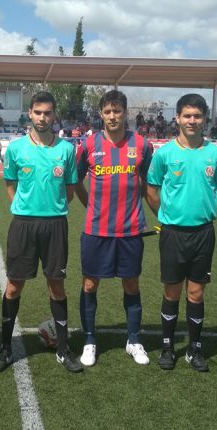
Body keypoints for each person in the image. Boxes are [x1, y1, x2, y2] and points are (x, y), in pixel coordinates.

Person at [0, 91, 83, 374]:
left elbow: (69, 190)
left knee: (56, 285)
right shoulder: (16, 149)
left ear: (54, 116)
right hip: (24, 225)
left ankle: (64, 350)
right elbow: (10, 185)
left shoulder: (66, 150)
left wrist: (50, 208)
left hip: (55, 224)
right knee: (14, 285)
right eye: (38, 112)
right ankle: (6, 349)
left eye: (48, 113)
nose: (43, 117)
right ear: (29, 113)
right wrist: (26, 207)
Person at [145, 93, 217, 373]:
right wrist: (168, 216)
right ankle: (168, 348)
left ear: (204, 119)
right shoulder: (165, 154)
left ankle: (195, 349)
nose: (192, 121)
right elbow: (152, 190)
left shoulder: (214, 154)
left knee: (196, 293)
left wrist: (201, 210)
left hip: (204, 233)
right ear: (177, 118)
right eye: (187, 116)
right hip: (173, 233)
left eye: (197, 116)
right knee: (171, 292)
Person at [74, 90, 152, 367]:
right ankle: (90, 340)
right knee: (89, 283)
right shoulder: (88, 144)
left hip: (130, 230)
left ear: (125, 113)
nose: (112, 116)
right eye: (107, 111)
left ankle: (133, 340)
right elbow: (76, 180)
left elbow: (147, 183)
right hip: (96, 230)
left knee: (131, 283)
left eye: (117, 111)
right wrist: (91, 207)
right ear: (101, 114)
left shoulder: (142, 145)